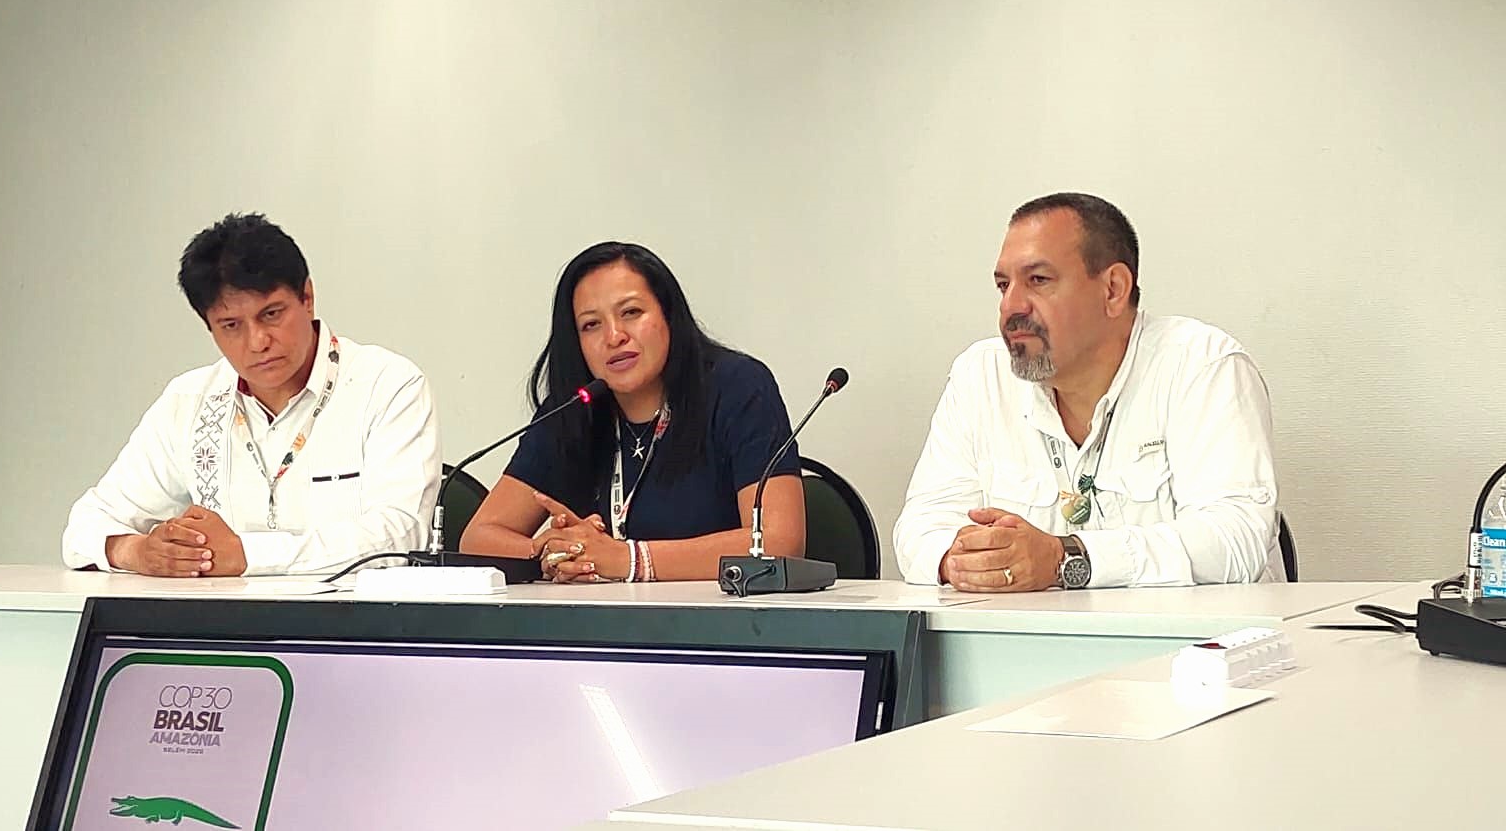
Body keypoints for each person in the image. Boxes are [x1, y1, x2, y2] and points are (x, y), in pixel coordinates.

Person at [893, 193, 1283, 592]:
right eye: (1002, 285)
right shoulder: (980, 375)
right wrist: (959, 561)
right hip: (1026, 644)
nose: (1011, 306)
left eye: (1038, 280)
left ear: (1113, 289)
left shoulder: (1201, 366)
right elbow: (923, 523)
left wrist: (1067, 559)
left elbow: (1237, 538)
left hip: (1193, 647)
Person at [61, 213, 441, 576]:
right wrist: (141, 552)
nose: (258, 342)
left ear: (307, 297)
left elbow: (402, 536)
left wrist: (248, 555)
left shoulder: (388, 385)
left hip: (352, 631)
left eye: (271, 314)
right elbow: (84, 528)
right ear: (209, 327)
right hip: (225, 632)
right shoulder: (190, 400)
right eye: (231, 325)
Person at [459, 241, 805, 581]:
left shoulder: (737, 387)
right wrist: (555, 553)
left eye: (631, 313)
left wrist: (630, 560)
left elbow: (779, 542)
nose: (614, 336)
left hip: (719, 625)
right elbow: (478, 539)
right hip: (598, 627)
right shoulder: (574, 407)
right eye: (591, 325)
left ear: (669, 314)